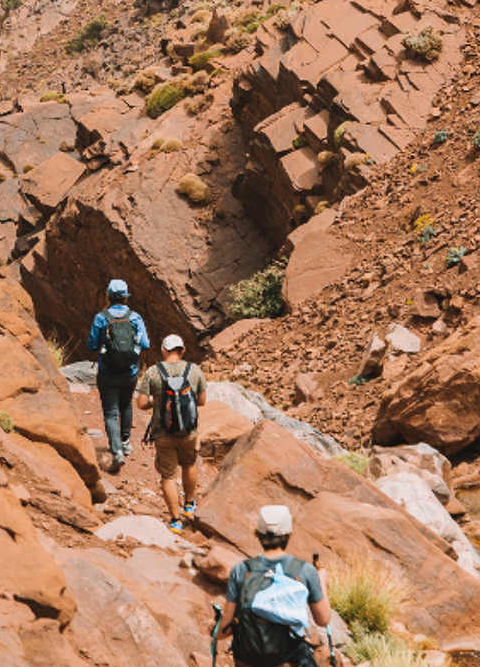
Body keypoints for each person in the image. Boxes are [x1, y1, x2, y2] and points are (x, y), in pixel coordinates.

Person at [220, 506, 336, 667]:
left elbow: (224, 631)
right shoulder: (304, 570)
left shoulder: (241, 570)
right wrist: (321, 580)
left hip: (246, 661)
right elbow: (323, 619)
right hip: (286, 661)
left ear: (257, 534)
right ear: (289, 534)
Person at [136, 334, 206, 529]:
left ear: (163, 350)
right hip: (189, 431)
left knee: (168, 476)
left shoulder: (152, 372)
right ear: (182, 351)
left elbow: (141, 403)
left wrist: (157, 401)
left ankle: (176, 521)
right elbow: (201, 401)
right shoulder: (194, 370)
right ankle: (189, 505)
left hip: (163, 432)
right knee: (189, 464)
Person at [87, 279, 148, 469]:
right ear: (126, 297)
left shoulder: (101, 318)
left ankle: (117, 451)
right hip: (130, 371)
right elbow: (145, 344)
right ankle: (125, 442)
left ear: (108, 296)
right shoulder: (135, 317)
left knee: (110, 412)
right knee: (126, 404)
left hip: (107, 371)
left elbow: (92, 345)